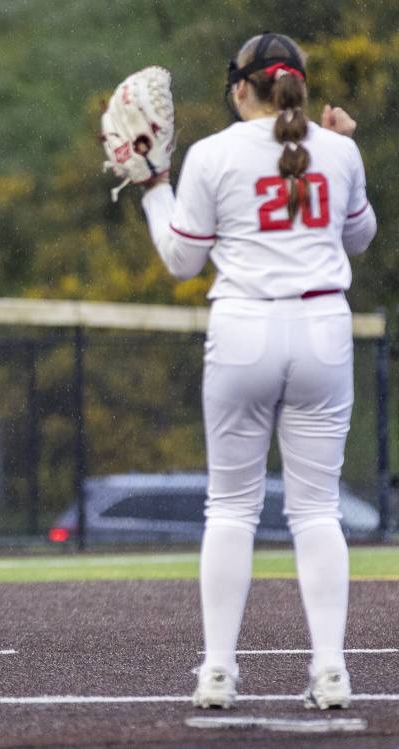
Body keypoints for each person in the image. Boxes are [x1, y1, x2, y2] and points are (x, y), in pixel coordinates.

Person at [137, 34, 376, 709]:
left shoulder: (213, 153)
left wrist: (156, 190)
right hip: (324, 327)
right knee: (317, 510)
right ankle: (330, 670)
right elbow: (360, 237)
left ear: (240, 88)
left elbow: (184, 262)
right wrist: (340, 147)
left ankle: (218, 670)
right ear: (298, 83)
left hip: (243, 326)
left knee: (232, 508)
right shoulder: (340, 149)